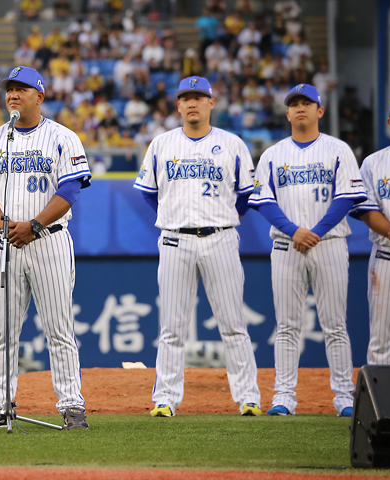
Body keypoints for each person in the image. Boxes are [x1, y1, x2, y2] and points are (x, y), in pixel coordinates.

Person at [0, 66, 91, 429]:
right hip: (4, 243)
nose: (13, 95)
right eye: (9, 90)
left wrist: (33, 226)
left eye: (21, 89)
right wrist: (4, 224)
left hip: (47, 241)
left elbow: (69, 191)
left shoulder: (63, 138)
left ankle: (71, 404)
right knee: (1, 329)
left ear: (40, 95)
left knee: (58, 327)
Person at [134, 76, 262, 417]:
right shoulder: (161, 144)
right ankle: (165, 399)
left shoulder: (232, 143)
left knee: (233, 323)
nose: (192, 103)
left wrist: (226, 217)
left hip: (220, 236)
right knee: (172, 327)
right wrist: (170, 215)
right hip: (175, 238)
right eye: (185, 98)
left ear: (211, 102)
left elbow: (247, 193)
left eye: (199, 97)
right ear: (178, 105)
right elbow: (148, 192)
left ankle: (248, 397)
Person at [248, 84, 367, 416]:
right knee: (286, 325)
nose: (300, 108)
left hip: (328, 243)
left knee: (335, 324)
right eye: (294, 104)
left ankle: (344, 396)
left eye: (307, 103)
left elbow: (346, 197)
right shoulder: (272, 154)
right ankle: (284, 396)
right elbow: (262, 201)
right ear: (287, 113)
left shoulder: (338, 149)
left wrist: (314, 232)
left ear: (320, 110)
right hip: (287, 245)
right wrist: (294, 231)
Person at [349, 99, 390, 365]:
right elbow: (366, 210)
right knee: (381, 337)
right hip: (388, 255)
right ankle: (385, 405)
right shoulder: (373, 163)